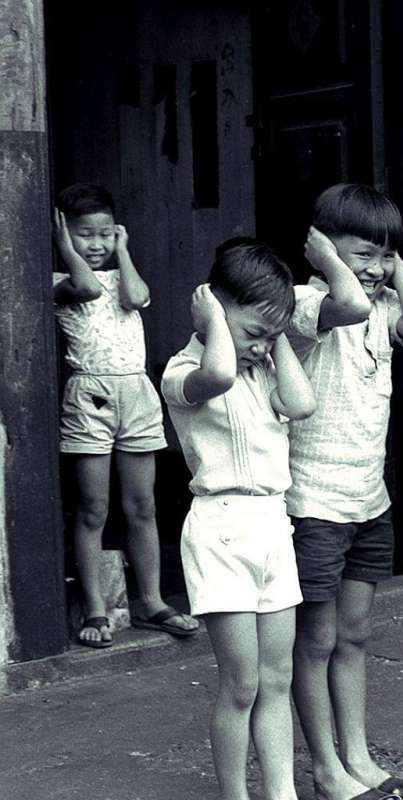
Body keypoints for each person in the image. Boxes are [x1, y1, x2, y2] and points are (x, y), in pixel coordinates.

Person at [287, 184, 403, 800]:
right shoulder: (304, 303)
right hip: (314, 504)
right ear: (322, 247)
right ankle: (326, 769)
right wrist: (328, 260)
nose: (375, 271)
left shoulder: (381, 308)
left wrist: (389, 259)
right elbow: (346, 302)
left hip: (366, 503)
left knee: (353, 637)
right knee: (317, 639)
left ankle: (358, 759)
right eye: (364, 254)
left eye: (385, 257)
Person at [161, 238, 316, 800]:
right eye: (253, 334)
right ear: (214, 311)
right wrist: (214, 325)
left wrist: (275, 343)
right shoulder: (185, 372)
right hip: (220, 529)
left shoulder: (262, 371)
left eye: (269, 337)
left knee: (278, 679)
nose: (259, 348)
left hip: (273, 524)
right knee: (242, 684)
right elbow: (220, 371)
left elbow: (301, 405)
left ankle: (282, 793)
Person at [52, 182, 199, 648]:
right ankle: (97, 609)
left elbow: (134, 296)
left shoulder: (122, 274)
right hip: (89, 395)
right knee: (93, 507)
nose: (95, 245)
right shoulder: (58, 280)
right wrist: (61, 248)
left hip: (136, 391)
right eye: (82, 235)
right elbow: (87, 288)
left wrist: (126, 251)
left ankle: (153, 601)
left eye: (104, 234)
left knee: (143, 506)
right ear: (63, 234)